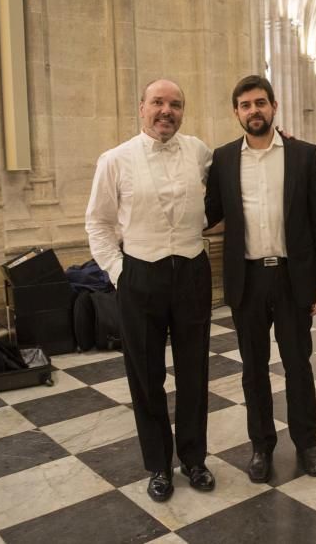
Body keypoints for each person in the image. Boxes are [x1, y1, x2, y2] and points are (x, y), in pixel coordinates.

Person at [85, 79, 216, 503]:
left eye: (175, 104)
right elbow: (99, 223)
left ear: (183, 111)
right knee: (146, 377)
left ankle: (194, 459)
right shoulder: (115, 159)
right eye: (158, 103)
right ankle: (159, 464)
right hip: (140, 275)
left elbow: (234, 173)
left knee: (195, 372)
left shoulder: (198, 151)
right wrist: (120, 271)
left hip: (193, 272)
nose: (167, 111)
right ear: (141, 107)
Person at [205, 75, 316, 483]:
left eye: (260, 102)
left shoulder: (304, 155)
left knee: (298, 364)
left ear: (274, 106)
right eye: (245, 105)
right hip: (248, 279)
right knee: (253, 368)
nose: (253, 110)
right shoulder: (222, 159)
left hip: (293, 277)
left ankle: (307, 443)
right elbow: (205, 213)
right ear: (236, 113)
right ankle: (261, 446)